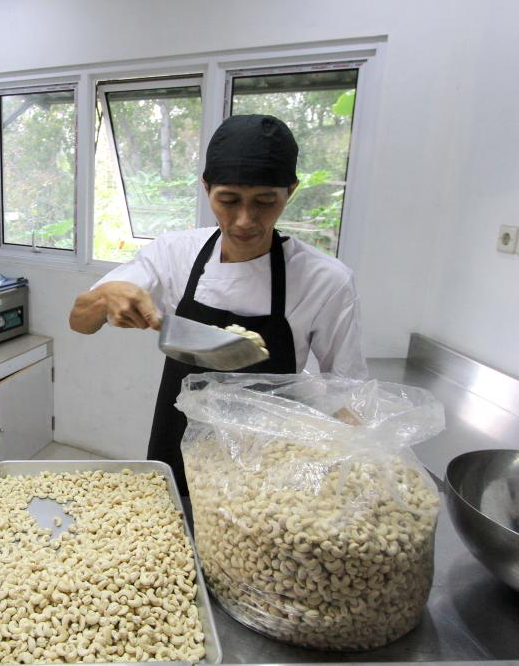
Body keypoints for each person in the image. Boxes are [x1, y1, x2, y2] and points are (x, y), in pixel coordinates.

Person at [68, 114, 367, 492]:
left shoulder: (325, 280)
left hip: (269, 457)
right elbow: (80, 321)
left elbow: (349, 393)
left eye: (265, 201)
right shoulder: (175, 253)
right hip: (179, 442)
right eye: (228, 200)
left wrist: (353, 472)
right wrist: (105, 297)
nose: (244, 220)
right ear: (206, 187)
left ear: (290, 191)